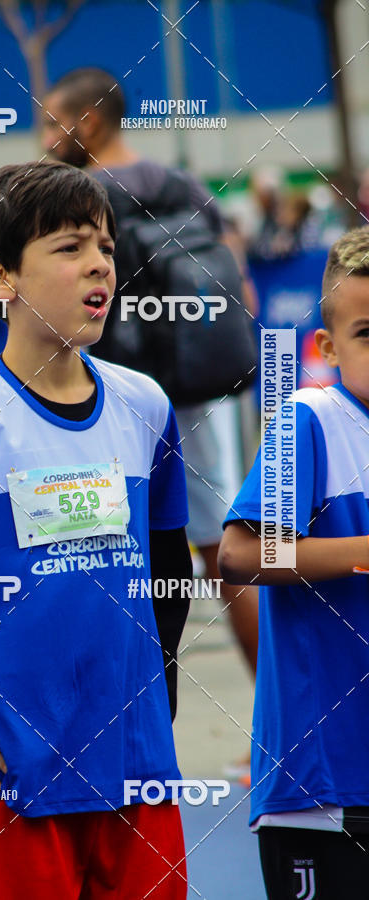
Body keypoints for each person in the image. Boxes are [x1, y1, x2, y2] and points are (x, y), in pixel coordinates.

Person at [0, 161, 193, 899]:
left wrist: (156, 699)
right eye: (70, 247)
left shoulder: (146, 406)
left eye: (106, 246)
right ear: (0, 277)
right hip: (23, 789)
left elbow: (171, 572)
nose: (100, 264)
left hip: (142, 784)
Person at [42, 67, 259, 682]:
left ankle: (128, 713)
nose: (46, 138)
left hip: (115, 397)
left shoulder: (80, 196)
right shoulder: (181, 184)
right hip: (196, 391)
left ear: (88, 122)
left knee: (107, 551)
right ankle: (279, 718)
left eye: (53, 123)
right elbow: (237, 287)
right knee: (222, 549)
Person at [218, 226, 369, 898]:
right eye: (367, 333)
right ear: (329, 348)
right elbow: (241, 553)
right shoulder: (307, 420)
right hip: (322, 786)